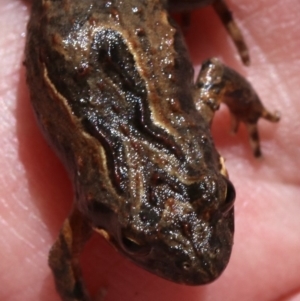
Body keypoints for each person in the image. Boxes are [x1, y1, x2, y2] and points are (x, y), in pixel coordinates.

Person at [0, 0, 299, 300]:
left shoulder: (190, 132)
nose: (204, 257)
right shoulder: (98, 204)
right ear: (92, 203)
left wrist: (250, 108)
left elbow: (217, 75)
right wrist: (247, 108)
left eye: (220, 197)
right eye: (134, 241)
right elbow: (216, 75)